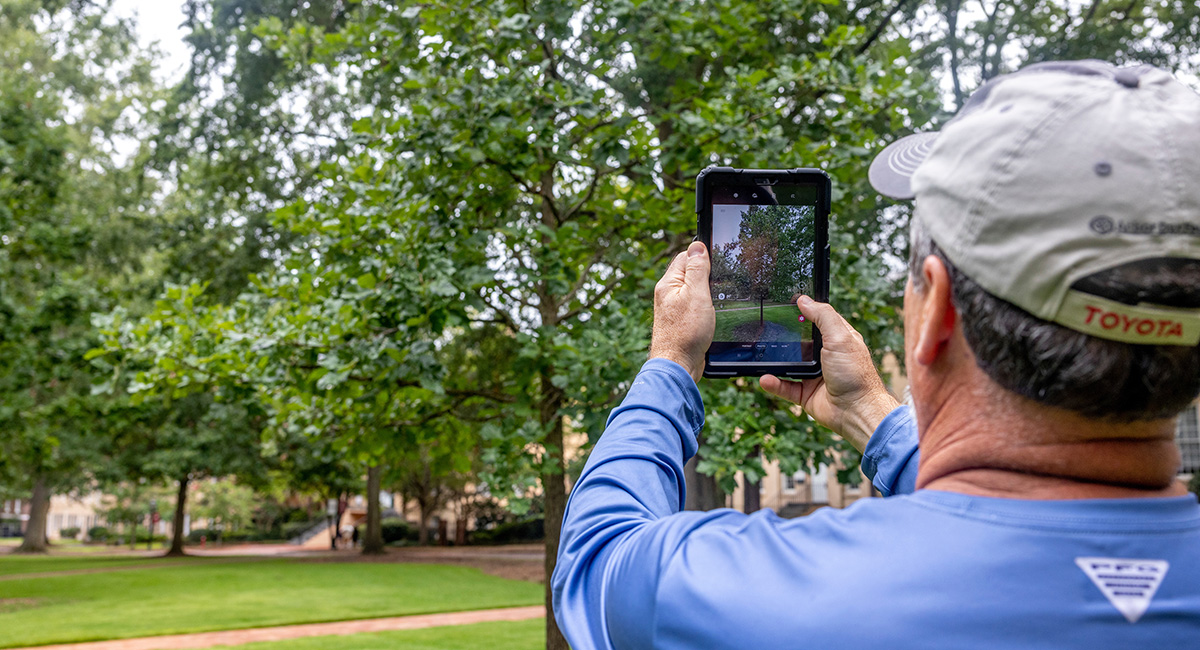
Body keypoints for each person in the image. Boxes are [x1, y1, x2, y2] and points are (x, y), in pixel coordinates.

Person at [552, 60, 1200, 649]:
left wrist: (670, 363)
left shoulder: (784, 601)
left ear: (937, 311)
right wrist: (870, 412)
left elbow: (597, 558)